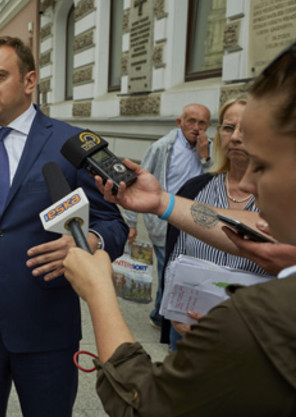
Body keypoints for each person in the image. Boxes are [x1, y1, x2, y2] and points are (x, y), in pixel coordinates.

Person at [63, 41, 296, 415]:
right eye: (229, 129)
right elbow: (247, 225)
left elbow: (144, 406)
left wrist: (99, 291)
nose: (250, 184)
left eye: (263, 166)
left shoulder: (260, 319)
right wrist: (161, 203)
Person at [0, 36, 128, 416]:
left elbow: (112, 222)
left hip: (47, 325)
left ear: (30, 81)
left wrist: (88, 242)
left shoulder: (73, 144)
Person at [163, 96, 271, 349]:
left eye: (247, 129)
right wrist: (175, 311)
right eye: (228, 128)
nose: (236, 137)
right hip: (189, 328)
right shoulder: (194, 189)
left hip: (254, 336)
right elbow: (175, 257)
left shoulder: (279, 198)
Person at [124, 102, 213, 330]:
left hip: (196, 222)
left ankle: (160, 314)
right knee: (169, 271)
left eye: (202, 123)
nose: (196, 127)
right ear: (179, 122)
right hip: (165, 221)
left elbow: (214, 181)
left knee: (182, 272)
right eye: (191, 121)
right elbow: (136, 183)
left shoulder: (210, 149)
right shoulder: (162, 147)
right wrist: (131, 223)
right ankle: (165, 319)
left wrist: (205, 157)